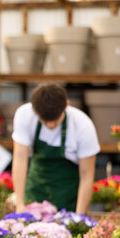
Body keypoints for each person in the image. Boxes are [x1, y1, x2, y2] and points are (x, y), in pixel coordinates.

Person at [11, 83, 100, 214]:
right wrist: (19, 203)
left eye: (55, 120)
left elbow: (87, 174)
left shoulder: (83, 125)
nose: (50, 125)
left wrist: (78, 216)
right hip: (36, 190)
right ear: (35, 110)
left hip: (69, 194)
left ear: (67, 106)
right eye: (44, 121)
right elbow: (20, 158)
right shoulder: (24, 115)